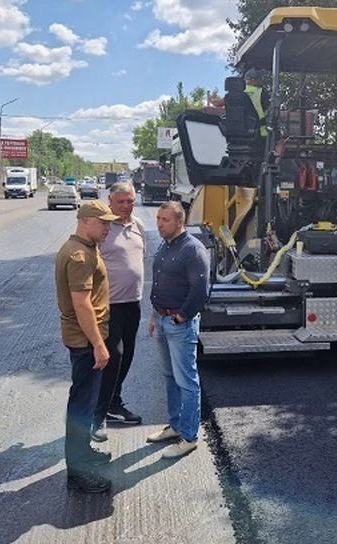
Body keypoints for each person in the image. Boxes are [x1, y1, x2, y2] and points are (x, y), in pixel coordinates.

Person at [54, 200, 118, 493]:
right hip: (84, 341)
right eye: (103, 223)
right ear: (85, 221)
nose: (108, 228)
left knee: (85, 401)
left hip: (85, 339)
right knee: (81, 406)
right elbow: (82, 306)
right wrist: (98, 345)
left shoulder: (86, 247)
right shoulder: (79, 256)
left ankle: (82, 457)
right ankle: (79, 472)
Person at [145, 201, 211, 459]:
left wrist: (181, 316)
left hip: (179, 324)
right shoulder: (165, 245)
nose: (159, 224)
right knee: (169, 376)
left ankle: (189, 436)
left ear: (179, 222)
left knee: (187, 381)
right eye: (158, 219)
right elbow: (161, 282)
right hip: (161, 320)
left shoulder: (192, 250)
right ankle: (175, 425)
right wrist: (154, 315)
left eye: (165, 220)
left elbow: (200, 291)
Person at [91, 182, 145, 442]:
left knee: (128, 356)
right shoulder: (103, 228)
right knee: (112, 357)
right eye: (121, 201)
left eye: (130, 201)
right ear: (110, 200)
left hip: (132, 303)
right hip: (108, 304)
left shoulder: (138, 225)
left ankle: (114, 403)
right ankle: (98, 415)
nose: (126, 206)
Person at [209, 67, 270, 135]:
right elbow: (269, 111)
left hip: (234, 134)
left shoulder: (230, 96)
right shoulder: (261, 92)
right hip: (259, 132)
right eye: (258, 79)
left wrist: (211, 99)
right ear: (253, 80)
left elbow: (217, 103)